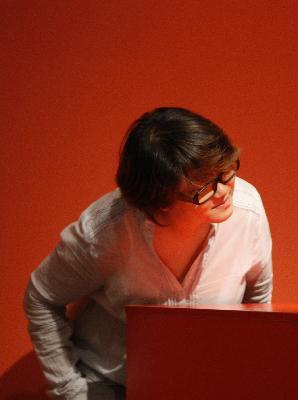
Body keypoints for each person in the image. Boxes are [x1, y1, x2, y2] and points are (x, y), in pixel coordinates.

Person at [23, 108, 273, 400]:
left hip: (206, 383)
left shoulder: (247, 211)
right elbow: (41, 297)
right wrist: (70, 389)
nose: (224, 192)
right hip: (113, 382)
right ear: (158, 201)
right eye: (204, 187)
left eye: (227, 171)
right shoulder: (105, 232)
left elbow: (258, 305)